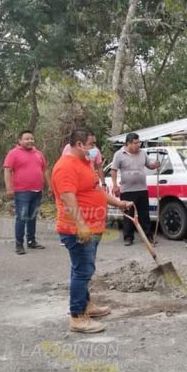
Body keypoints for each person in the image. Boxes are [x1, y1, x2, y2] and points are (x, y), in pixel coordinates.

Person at [53, 128, 133, 334]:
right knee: (82, 271)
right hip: (77, 229)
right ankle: (77, 317)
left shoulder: (85, 163)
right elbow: (68, 198)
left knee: (83, 269)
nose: (95, 148)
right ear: (80, 145)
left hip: (92, 228)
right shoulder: (65, 167)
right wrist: (81, 225)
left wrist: (119, 203)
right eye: (92, 144)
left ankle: (86, 305)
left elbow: (96, 190)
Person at [4, 130, 52, 255]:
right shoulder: (13, 153)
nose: (30, 141)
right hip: (22, 191)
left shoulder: (38, 154)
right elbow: (7, 171)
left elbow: (45, 170)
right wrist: (9, 188)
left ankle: (31, 241)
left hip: (37, 190)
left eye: (31, 138)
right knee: (22, 217)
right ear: (20, 141)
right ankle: (19, 244)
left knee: (32, 217)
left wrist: (50, 186)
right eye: (26, 139)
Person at [110, 133, 159, 246]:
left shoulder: (142, 153)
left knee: (144, 214)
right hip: (127, 190)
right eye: (136, 143)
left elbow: (149, 165)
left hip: (141, 189)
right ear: (128, 143)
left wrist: (155, 165)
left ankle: (148, 236)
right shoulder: (119, 154)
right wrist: (115, 185)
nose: (138, 145)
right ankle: (128, 237)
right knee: (129, 214)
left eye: (139, 142)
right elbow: (113, 170)